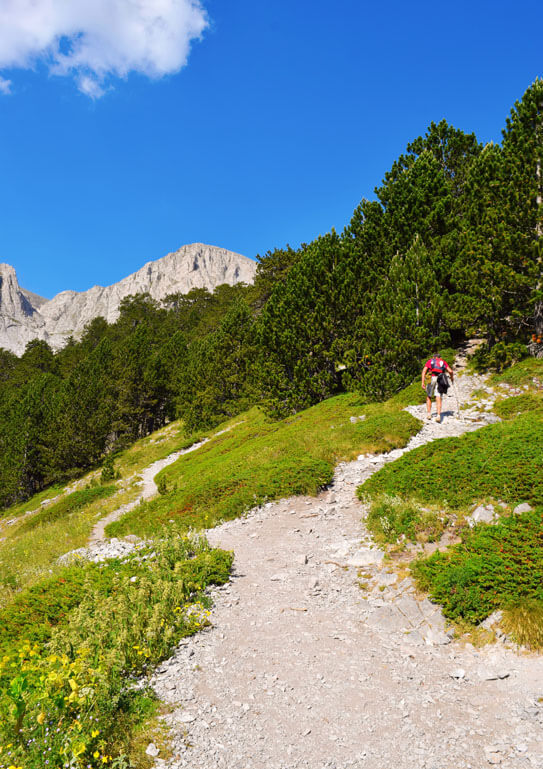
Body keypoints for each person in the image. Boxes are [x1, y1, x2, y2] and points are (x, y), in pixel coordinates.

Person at [421, 351, 454, 423]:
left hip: (431, 378)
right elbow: (450, 371)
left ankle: (429, 414)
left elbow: (424, 371)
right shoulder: (443, 362)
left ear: (434, 357)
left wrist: (423, 382)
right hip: (440, 379)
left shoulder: (430, 361)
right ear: (440, 357)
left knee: (429, 395)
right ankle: (438, 415)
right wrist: (452, 378)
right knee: (438, 396)